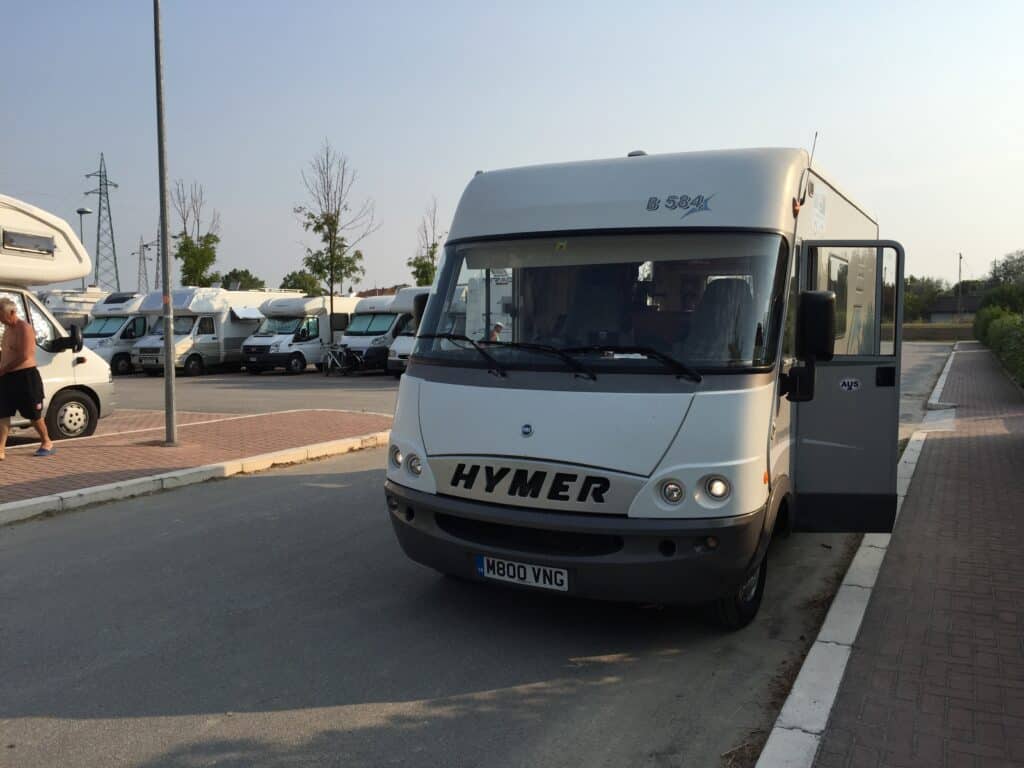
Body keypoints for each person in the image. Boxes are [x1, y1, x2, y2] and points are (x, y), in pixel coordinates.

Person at [0, 298, 54, 458]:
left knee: (33, 414)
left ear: (12, 312)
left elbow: (25, 355)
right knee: (3, 413)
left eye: (1, 315)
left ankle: (46, 441)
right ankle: (1, 449)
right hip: (7, 377)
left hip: (26, 377)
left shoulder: (25, 328)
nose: (0, 319)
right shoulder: (7, 330)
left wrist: (5, 368)